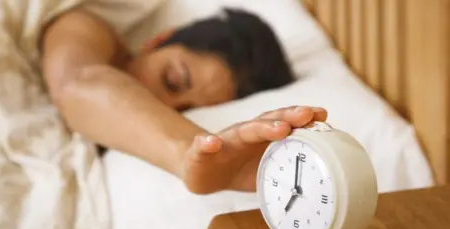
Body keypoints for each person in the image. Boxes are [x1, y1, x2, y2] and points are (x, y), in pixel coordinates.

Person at [41, 7, 328, 195]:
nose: (161, 107)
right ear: (159, 40)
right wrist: (190, 152)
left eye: (188, 112)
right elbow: (75, 83)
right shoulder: (85, 26)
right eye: (172, 81)